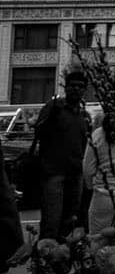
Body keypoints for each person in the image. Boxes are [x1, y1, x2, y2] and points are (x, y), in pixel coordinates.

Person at [33, 67, 92, 241]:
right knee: (52, 220)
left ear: (84, 90)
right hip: (53, 173)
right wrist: (52, 114)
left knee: (70, 222)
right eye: (72, 85)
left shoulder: (84, 115)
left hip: (76, 174)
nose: (76, 89)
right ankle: (45, 259)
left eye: (80, 86)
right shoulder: (53, 107)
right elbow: (39, 132)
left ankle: (64, 259)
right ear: (65, 88)